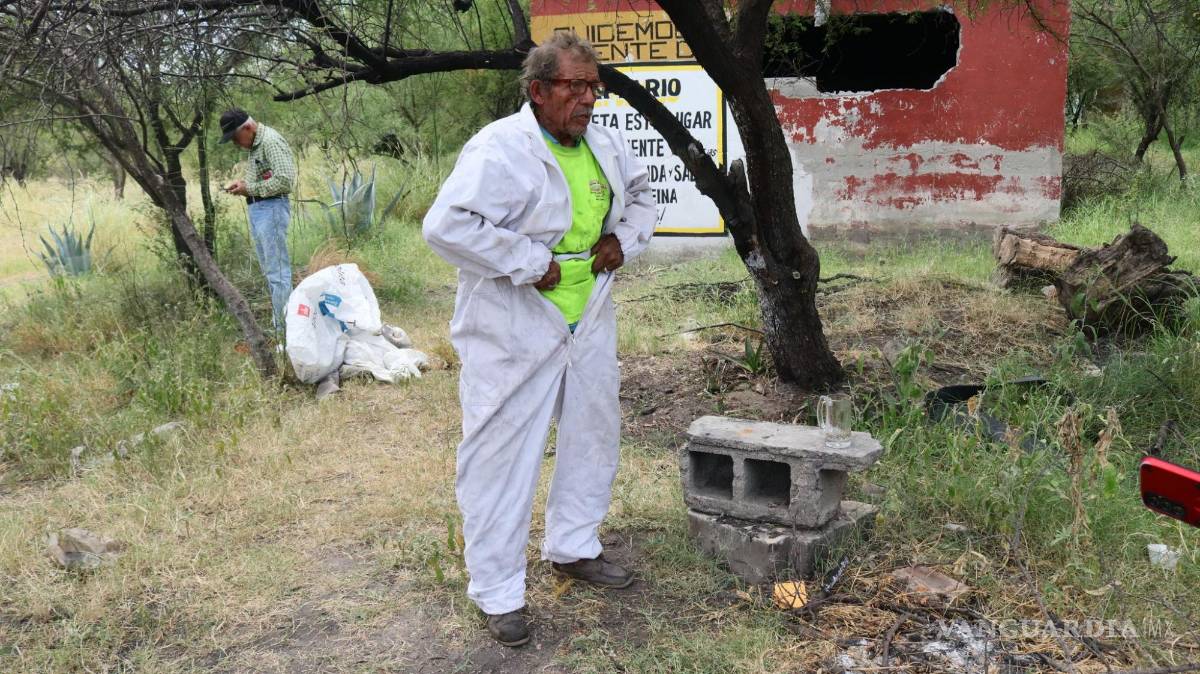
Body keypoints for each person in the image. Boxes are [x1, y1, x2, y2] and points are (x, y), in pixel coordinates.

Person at [422, 32, 656, 647]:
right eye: (574, 86)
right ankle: (498, 592)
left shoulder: (604, 143)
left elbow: (644, 200)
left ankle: (574, 546)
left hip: (588, 316)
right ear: (538, 90)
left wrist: (622, 241)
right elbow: (446, 226)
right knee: (500, 457)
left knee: (592, 433)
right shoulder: (500, 148)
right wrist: (525, 260)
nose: (588, 98)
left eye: (593, 87)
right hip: (513, 321)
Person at [219, 108, 297, 332]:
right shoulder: (256, 144)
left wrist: (249, 188)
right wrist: (243, 186)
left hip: (272, 208)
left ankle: (284, 330)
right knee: (271, 272)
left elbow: (284, 181)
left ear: (247, 127)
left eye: (235, 137)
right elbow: (267, 176)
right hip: (260, 209)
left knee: (278, 274)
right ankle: (282, 326)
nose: (235, 143)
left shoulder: (270, 141)